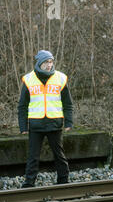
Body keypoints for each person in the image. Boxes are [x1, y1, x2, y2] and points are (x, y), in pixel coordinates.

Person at [18, 50, 73, 188]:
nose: (49, 65)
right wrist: (23, 126)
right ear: (39, 63)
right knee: (33, 156)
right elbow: (22, 105)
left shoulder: (60, 78)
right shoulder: (29, 79)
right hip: (36, 124)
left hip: (55, 123)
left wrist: (69, 122)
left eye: (51, 62)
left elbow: (68, 103)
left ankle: (63, 180)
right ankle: (29, 183)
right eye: (46, 62)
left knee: (59, 154)